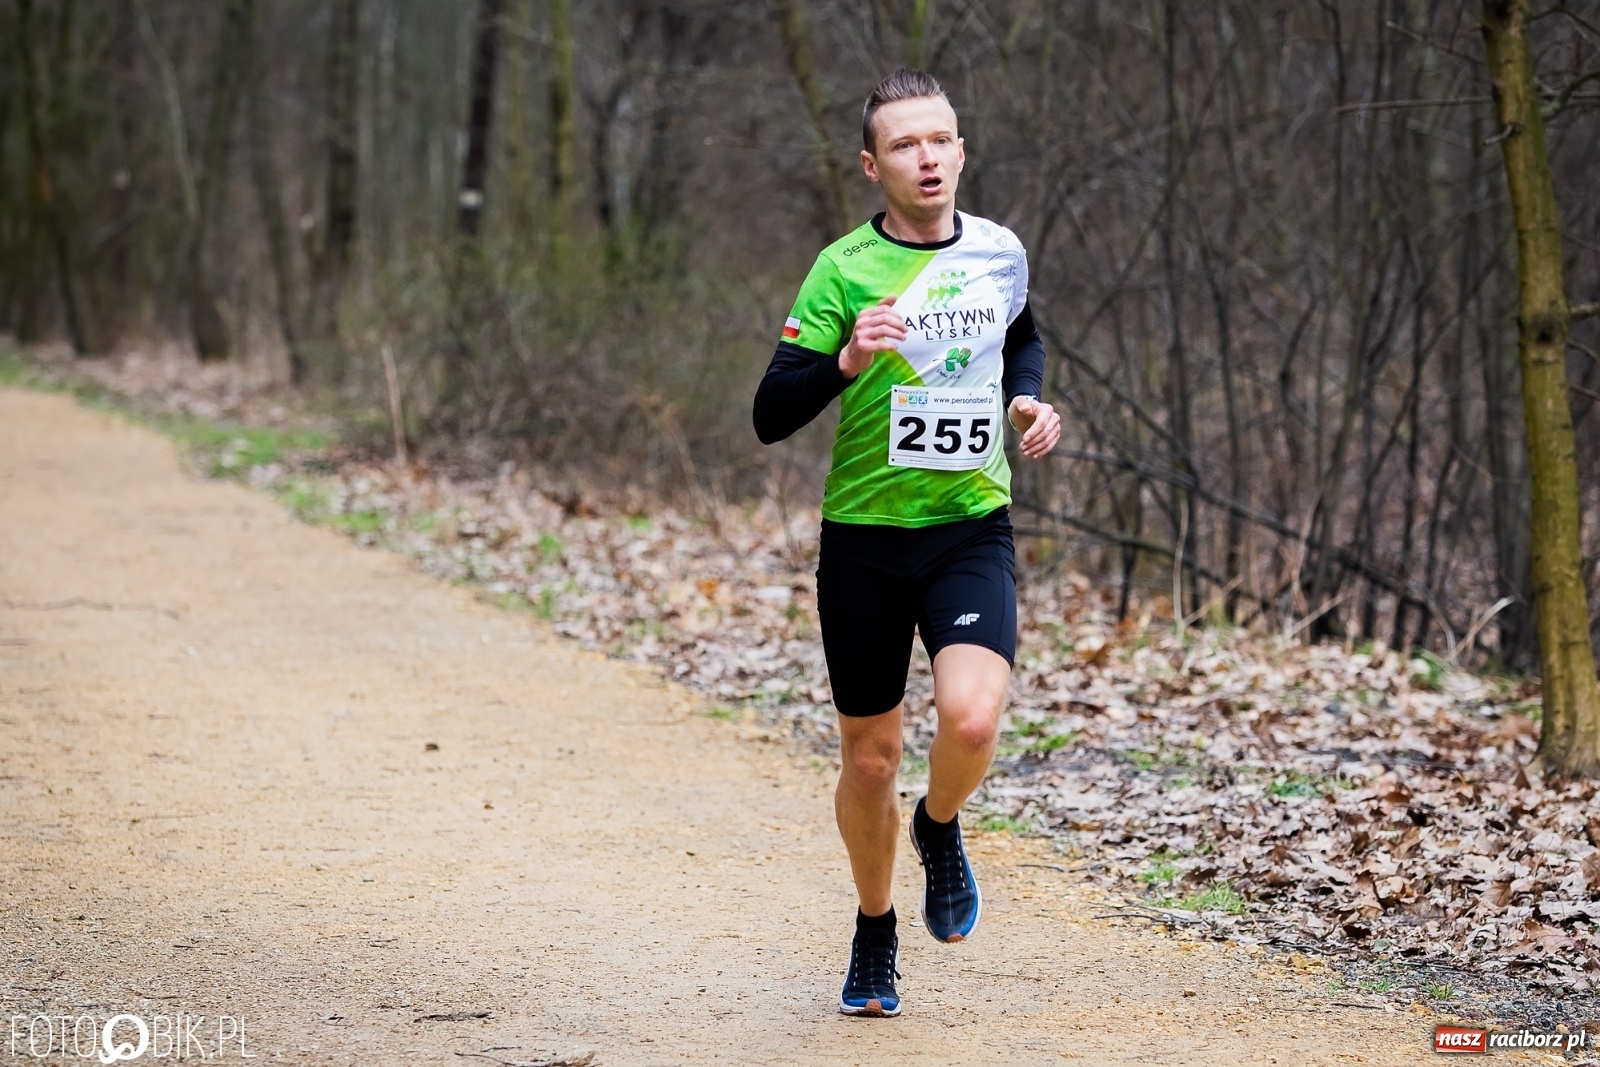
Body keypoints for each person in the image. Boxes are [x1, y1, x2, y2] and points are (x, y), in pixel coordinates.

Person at [752, 68, 1061, 1017]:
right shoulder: (843, 268)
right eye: (904, 145)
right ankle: (875, 927)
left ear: (961, 150)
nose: (926, 158)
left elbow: (1023, 338)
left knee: (970, 720)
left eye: (941, 140)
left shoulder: (1000, 252)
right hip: (864, 541)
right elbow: (769, 413)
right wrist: (844, 361)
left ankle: (939, 826)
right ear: (872, 164)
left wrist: (1027, 400)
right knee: (872, 756)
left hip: (969, 525)